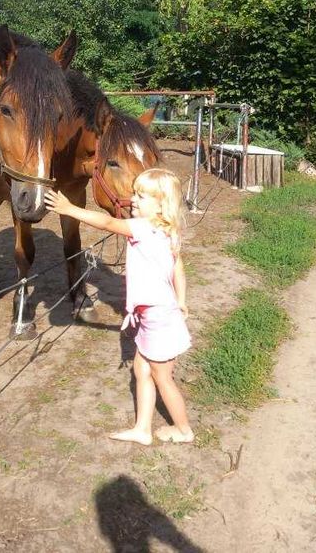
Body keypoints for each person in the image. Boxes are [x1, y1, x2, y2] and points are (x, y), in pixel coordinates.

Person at [45, 168, 194, 445]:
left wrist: (69, 209)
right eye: (134, 193)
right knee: (142, 369)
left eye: (142, 196)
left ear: (161, 204)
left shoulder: (142, 228)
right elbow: (178, 268)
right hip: (159, 314)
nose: (133, 199)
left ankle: (183, 430)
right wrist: (182, 300)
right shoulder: (168, 232)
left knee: (163, 378)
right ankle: (142, 429)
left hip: (157, 317)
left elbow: (106, 222)